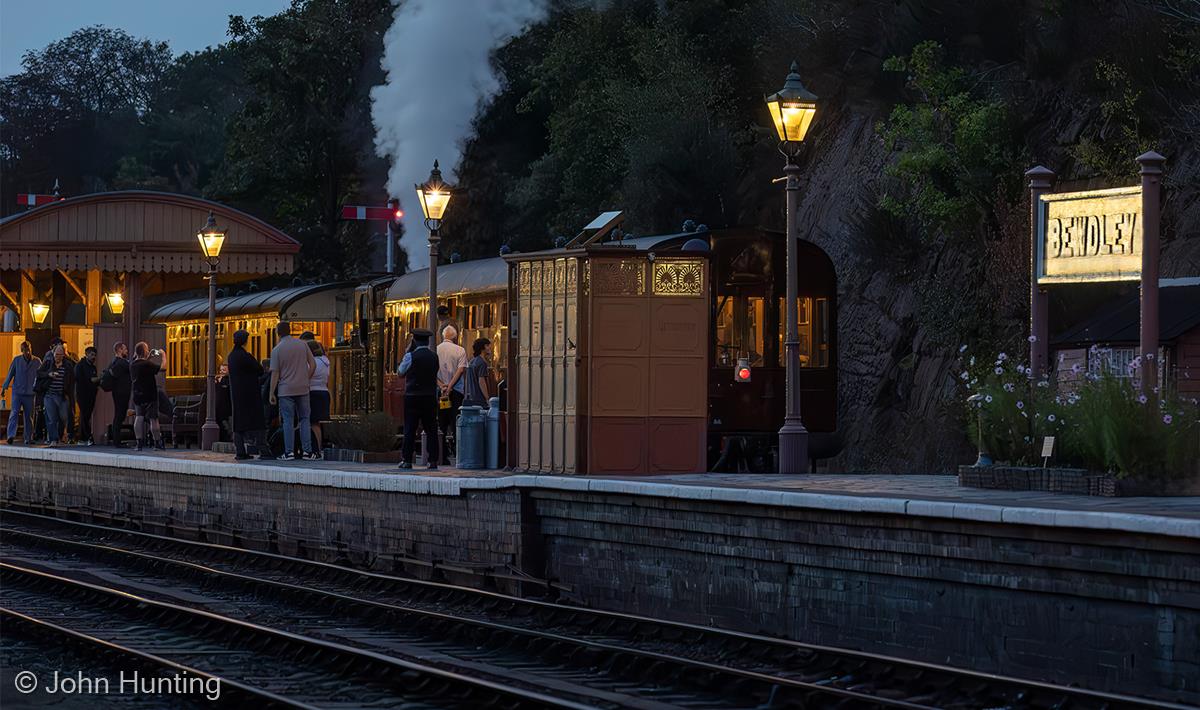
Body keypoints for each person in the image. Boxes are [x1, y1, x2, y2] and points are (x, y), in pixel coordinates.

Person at [269, 321, 317, 460]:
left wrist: (272, 392)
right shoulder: (303, 345)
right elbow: (312, 364)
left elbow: (275, 373)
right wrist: (306, 378)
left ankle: (289, 452)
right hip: (303, 388)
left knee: (288, 421)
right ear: (290, 330)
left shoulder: (277, 350)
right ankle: (307, 452)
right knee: (305, 419)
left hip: (285, 390)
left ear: (278, 333)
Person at [227, 330, 273, 461]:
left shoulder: (231, 356)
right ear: (244, 341)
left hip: (236, 394)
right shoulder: (244, 356)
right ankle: (263, 449)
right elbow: (259, 369)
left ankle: (240, 451)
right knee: (258, 422)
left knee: (238, 423)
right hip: (250, 393)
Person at [399, 329, 439, 470]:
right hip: (429, 397)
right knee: (431, 429)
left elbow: (400, 373)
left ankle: (407, 460)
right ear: (427, 341)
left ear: (415, 340)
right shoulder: (434, 357)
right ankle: (433, 460)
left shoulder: (410, 356)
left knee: (410, 428)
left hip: (412, 397)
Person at [436, 325, 468, 460]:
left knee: (441, 422)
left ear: (443, 336)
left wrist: (442, 386)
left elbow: (431, 371)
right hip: (456, 392)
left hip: (441, 393)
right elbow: (460, 370)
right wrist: (450, 387)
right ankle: (458, 453)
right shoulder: (460, 350)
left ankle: (442, 454)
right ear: (455, 337)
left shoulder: (435, 349)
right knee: (455, 421)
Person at [3, 341, 41, 445]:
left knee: (29, 416)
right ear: (22, 350)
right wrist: (4, 387)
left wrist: (40, 389)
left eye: (29, 349)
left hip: (30, 393)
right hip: (17, 392)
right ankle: (11, 435)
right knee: (14, 413)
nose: (27, 352)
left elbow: (40, 376)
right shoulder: (16, 360)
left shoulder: (37, 361)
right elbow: (10, 374)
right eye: (25, 350)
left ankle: (28, 437)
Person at [129, 342, 165, 451]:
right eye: (147, 349)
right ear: (145, 351)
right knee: (153, 419)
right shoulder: (147, 365)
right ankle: (157, 443)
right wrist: (163, 355)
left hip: (137, 394)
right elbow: (163, 368)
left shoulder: (132, 364)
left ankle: (139, 444)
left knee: (139, 417)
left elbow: (142, 365)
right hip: (150, 394)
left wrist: (148, 358)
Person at [38, 344, 73, 446]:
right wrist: (48, 374)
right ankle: (53, 439)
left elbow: (71, 382)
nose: (57, 357)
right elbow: (38, 373)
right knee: (52, 418)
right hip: (49, 395)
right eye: (56, 354)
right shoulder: (48, 363)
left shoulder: (68, 366)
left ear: (63, 355)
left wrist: (70, 396)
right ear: (53, 354)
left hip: (62, 395)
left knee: (63, 417)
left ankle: (60, 435)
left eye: (60, 355)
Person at [307, 339, 330, 455]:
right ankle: (319, 446)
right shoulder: (326, 361)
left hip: (312, 392)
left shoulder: (311, 363)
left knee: (311, 422)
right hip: (324, 392)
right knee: (317, 423)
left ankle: (314, 447)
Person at [106, 342, 132, 446]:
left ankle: (117, 440)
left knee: (119, 415)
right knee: (119, 416)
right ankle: (117, 441)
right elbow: (132, 367)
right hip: (122, 392)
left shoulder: (114, 362)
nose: (127, 351)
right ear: (120, 350)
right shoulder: (121, 363)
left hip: (117, 392)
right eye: (125, 349)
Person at [74, 346, 100, 445]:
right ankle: (87, 437)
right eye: (92, 355)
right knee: (85, 415)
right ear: (86, 354)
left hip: (91, 395)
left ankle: (82, 438)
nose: (94, 357)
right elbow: (88, 380)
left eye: (95, 355)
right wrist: (100, 378)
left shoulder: (93, 367)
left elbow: (94, 381)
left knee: (86, 415)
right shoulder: (80, 366)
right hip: (82, 394)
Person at [463, 338, 493, 408]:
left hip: (469, 398)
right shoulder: (482, 363)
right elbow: (481, 381)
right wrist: (487, 398)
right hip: (479, 399)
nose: (490, 348)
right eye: (488, 345)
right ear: (483, 347)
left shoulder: (471, 361)